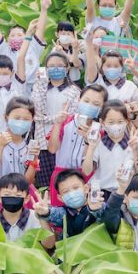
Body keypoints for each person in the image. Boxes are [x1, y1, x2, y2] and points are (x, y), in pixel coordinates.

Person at [31, 51, 82, 188]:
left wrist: (47, 119)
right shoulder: (39, 87)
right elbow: (37, 113)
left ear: (67, 68)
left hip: (63, 142)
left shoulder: (74, 91)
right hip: (42, 143)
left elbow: (70, 117)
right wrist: (41, 83)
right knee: (45, 184)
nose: (56, 68)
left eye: (60, 65)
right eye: (51, 66)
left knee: (63, 183)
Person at [0, 0, 47, 94]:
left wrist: (44, 10)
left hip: (34, 92)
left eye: (19, 35)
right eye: (12, 35)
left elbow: (40, 30)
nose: (16, 38)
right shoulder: (3, 50)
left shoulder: (33, 47)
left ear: (26, 36)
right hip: (10, 92)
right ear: (7, 39)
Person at [0, 97, 41, 190]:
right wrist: (0, 146)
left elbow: (28, 182)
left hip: (20, 195)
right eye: (17, 118)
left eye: (26, 119)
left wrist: (34, 160)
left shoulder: (30, 145)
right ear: (6, 117)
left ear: (32, 120)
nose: (21, 122)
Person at [82, 101, 136, 196]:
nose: (116, 125)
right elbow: (86, 171)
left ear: (127, 121)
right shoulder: (98, 143)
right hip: (101, 193)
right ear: (102, 122)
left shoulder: (134, 143)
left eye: (120, 122)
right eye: (111, 122)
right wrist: (91, 147)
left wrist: (136, 150)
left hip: (126, 193)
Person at [43, 169, 100, 238]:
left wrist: (94, 210)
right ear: (60, 198)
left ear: (86, 188)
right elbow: (52, 213)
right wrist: (45, 211)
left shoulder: (98, 206)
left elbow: (111, 220)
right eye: (66, 191)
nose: (72, 194)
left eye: (76, 188)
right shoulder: (63, 213)